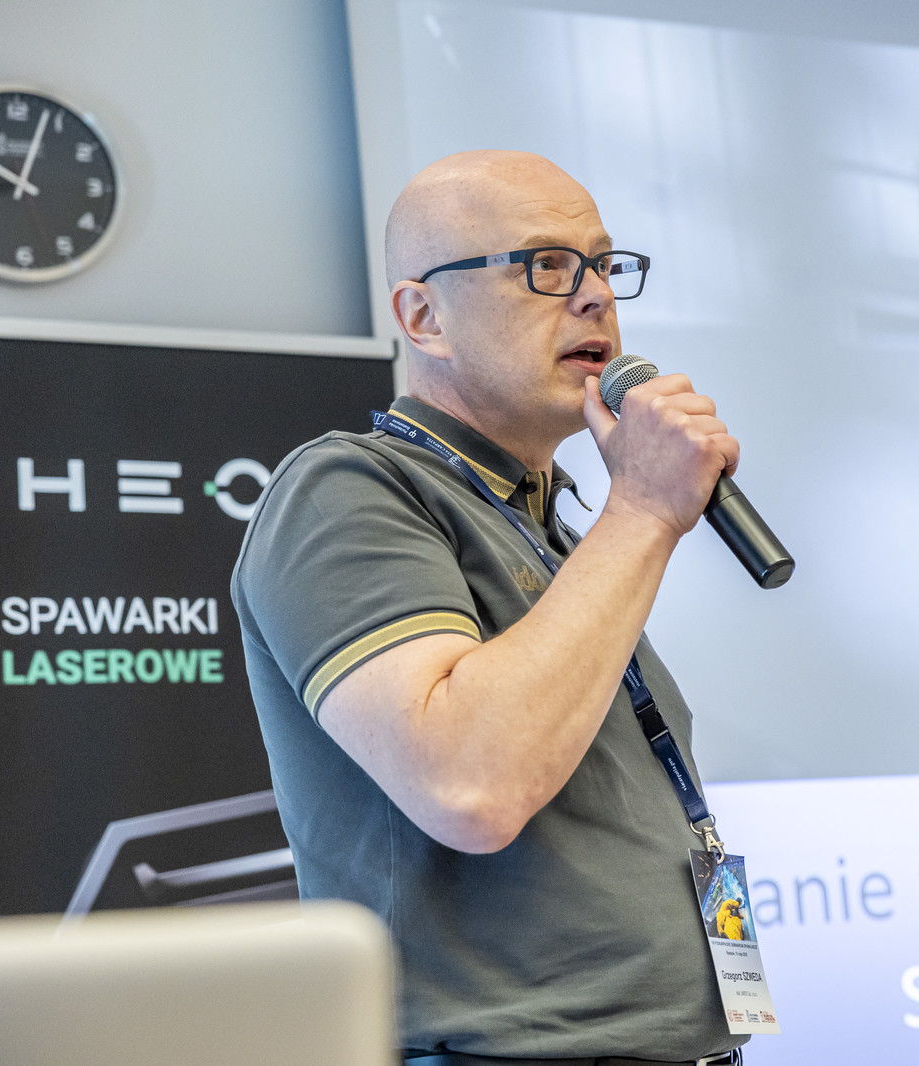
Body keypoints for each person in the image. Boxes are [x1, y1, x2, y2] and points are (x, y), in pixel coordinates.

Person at [232, 150, 746, 1064]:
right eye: (545, 266)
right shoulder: (346, 489)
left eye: (603, 265)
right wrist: (643, 510)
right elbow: (470, 786)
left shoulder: (552, 526)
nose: (595, 297)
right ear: (423, 317)